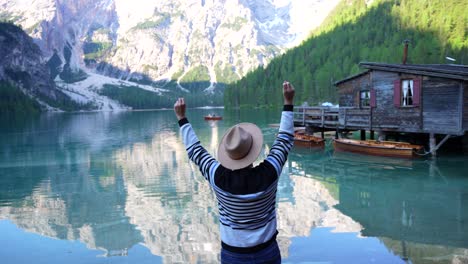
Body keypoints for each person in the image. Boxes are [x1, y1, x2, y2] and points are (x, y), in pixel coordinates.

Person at [174, 81, 295, 263]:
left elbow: (195, 151)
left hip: (233, 255)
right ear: (253, 152)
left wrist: (182, 118)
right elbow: (284, 140)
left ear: (229, 155)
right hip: (267, 251)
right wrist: (288, 103)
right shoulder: (269, 172)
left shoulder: (218, 176)